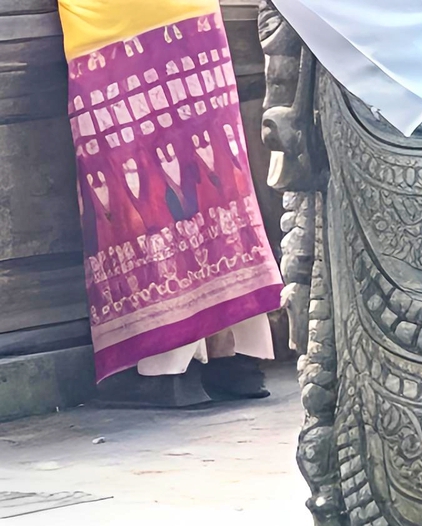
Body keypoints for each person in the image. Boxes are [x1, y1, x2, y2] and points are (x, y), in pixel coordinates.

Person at [57, 0, 283, 408]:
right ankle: (235, 357)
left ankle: (168, 369)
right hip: (189, 15)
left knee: (142, 186)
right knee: (209, 180)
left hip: (112, 25)